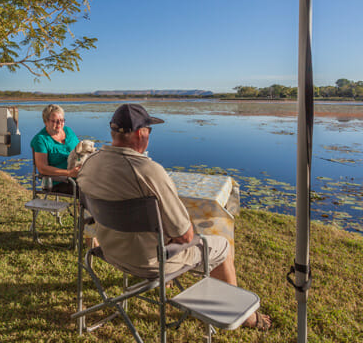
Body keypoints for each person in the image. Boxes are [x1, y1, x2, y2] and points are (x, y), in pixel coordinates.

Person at [77, 103, 271, 330]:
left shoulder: (89, 163)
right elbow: (184, 236)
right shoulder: (148, 171)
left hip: (109, 251)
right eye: (150, 130)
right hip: (150, 263)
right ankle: (245, 317)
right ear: (141, 134)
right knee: (222, 247)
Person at [30, 104, 81, 194]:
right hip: (58, 181)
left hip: (79, 176)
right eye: (55, 121)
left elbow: (79, 151)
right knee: (90, 191)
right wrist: (69, 173)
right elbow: (42, 169)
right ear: (46, 121)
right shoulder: (40, 140)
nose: (59, 124)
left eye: (62, 120)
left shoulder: (68, 131)